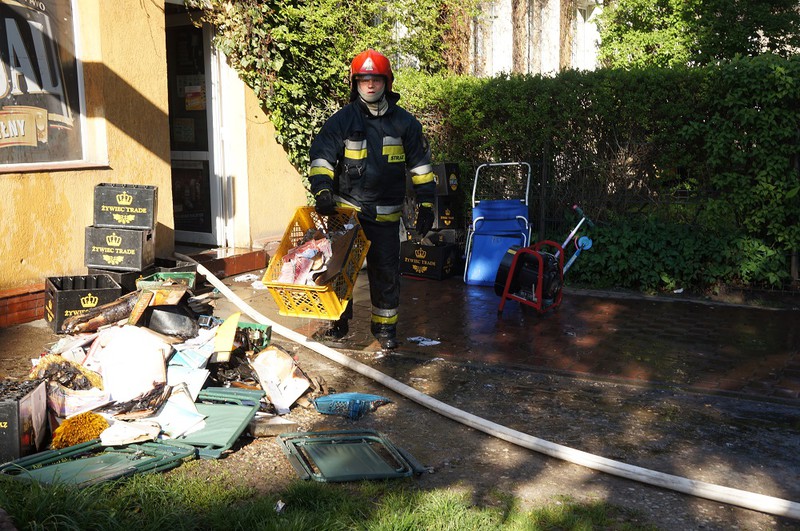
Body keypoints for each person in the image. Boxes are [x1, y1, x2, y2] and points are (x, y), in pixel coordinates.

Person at [308, 48, 436, 350]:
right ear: (355, 83)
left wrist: (427, 204)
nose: (369, 85)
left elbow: (421, 167)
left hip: (386, 218)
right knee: (338, 271)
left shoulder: (406, 124)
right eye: (363, 80)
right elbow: (322, 158)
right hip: (348, 214)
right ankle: (337, 324)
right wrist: (323, 191)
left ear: (386, 83)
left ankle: (385, 331)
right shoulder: (341, 121)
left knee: (387, 275)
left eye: (375, 80)